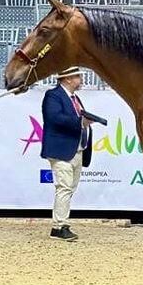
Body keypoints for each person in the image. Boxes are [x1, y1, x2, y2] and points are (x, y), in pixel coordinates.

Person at [41, 67, 105, 242]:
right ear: (67, 79)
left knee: (69, 188)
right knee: (64, 187)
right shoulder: (53, 96)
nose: (80, 79)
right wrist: (80, 122)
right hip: (61, 150)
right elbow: (54, 119)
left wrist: (83, 123)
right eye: (77, 76)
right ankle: (58, 226)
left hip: (76, 150)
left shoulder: (74, 98)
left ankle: (61, 223)